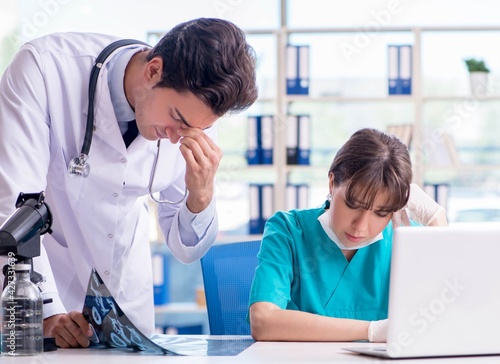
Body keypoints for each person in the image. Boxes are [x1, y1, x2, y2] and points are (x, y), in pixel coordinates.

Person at [0, 18, 257, 348]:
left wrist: (201, 195)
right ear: (153, 70)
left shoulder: (196, 113)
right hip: (48, 288)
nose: (179, 137)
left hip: (127, 306)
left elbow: (185, 247)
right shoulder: (44, 69)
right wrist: (46, 311)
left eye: (195, 129)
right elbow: (13, 209)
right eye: (177, 119)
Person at [248, 128, 447, 343]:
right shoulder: (289, 231)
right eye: (353, 205)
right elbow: (263, 321)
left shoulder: (408, 239)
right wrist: (373, 331)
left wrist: (437, 221)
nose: (360, 227)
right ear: (332, 183)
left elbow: (448, 317)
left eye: (380, 213)